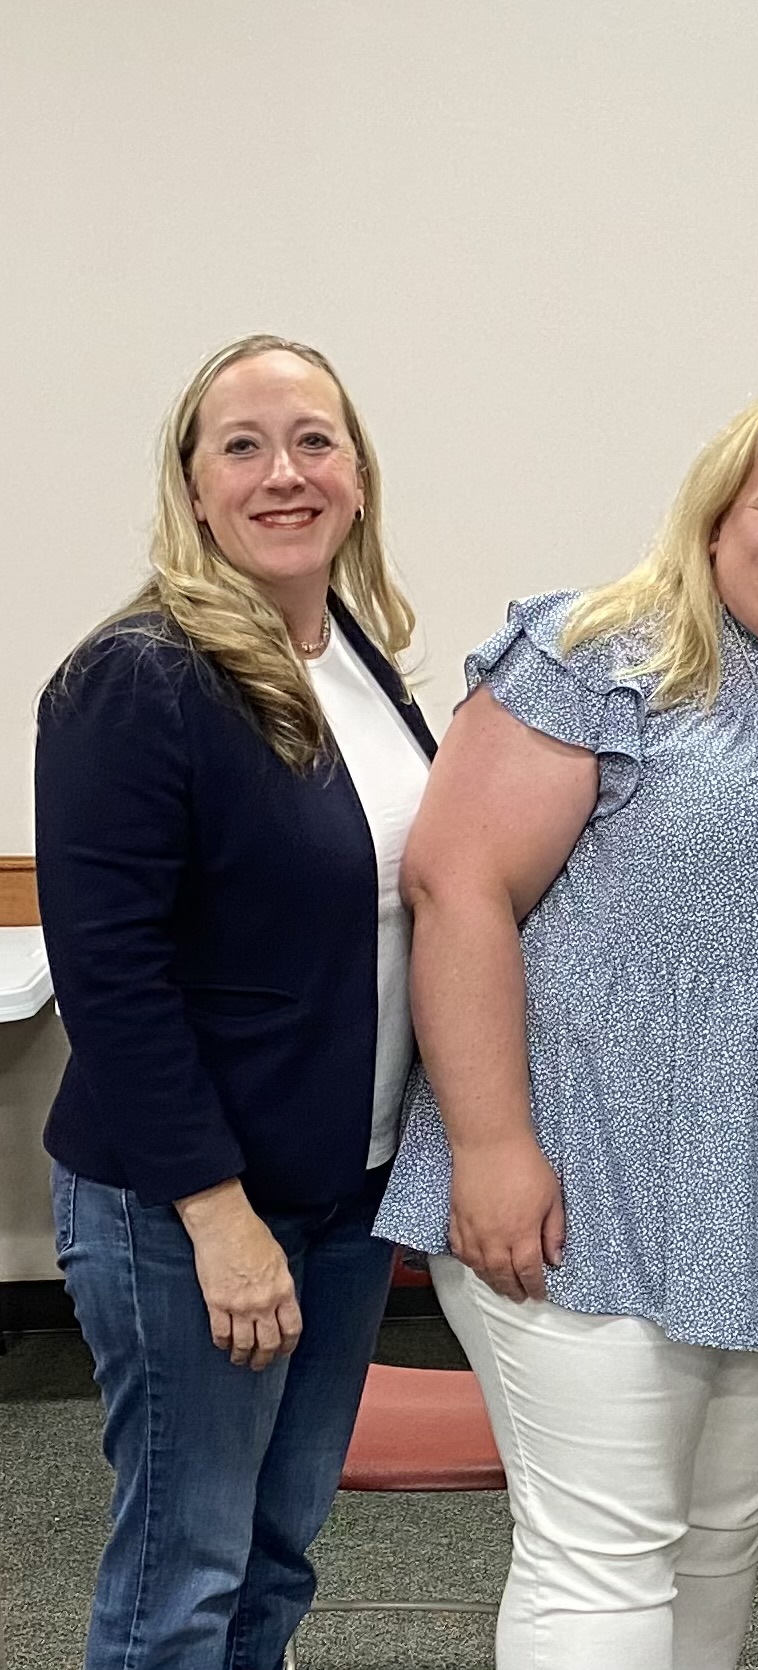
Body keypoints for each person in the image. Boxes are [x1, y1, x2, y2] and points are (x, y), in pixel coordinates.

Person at [372, 384, 758, 1670]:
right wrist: (489, 1145)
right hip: (588, 1188)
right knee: (604, 1559)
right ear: (712, 523)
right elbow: (455, 887)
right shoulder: (597, 655)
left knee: (714, 1549)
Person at [37, 334, 432, 1669]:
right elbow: (112, 973)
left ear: (360, 474)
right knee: (185, 1568)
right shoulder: (138, 677)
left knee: (273, 1549)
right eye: (244, 446)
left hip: (343, 1191)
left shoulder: (357, 662)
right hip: (192, 1206)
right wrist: (217, 1214)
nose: (284, 472)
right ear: (193, 486)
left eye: (314, 440)